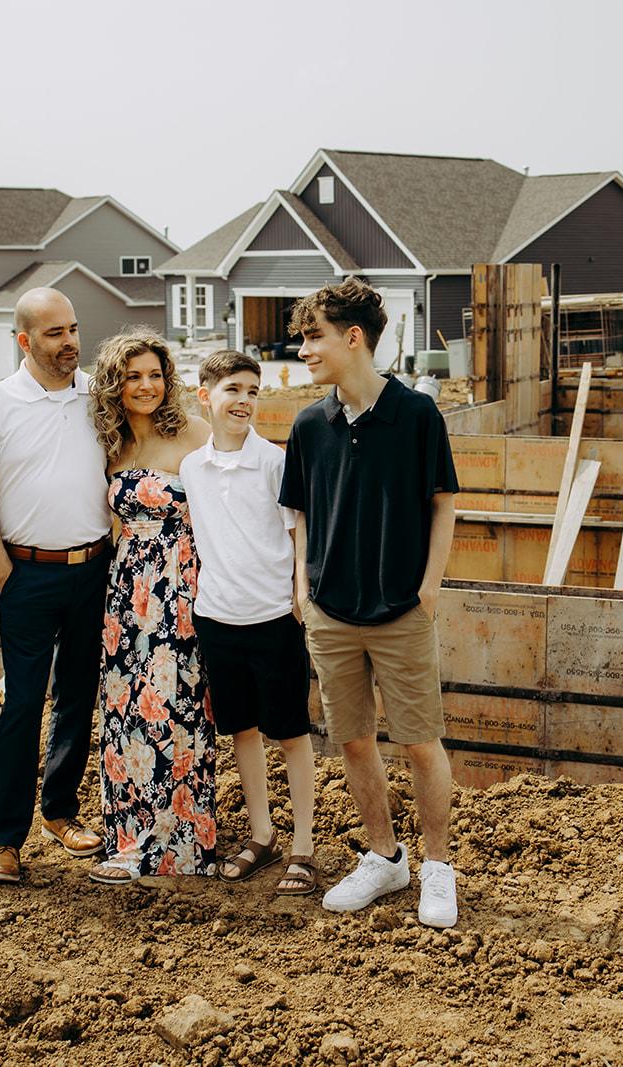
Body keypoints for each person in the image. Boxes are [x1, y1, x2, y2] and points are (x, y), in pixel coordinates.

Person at [279, 279, 462, 928]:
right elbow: (297, 513)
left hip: (401, 611)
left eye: (313, 336)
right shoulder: (309, 424)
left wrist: (430, 587)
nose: (303, 349)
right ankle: (386, 858)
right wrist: (303, 587)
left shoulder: (415, 416)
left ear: (352, 338)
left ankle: (437, 865)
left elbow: (444, 503)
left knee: (419, 741)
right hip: (331, 613)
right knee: (354, 741)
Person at [0, 287, 110, 885]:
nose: (70, 341)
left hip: (93, 568)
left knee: (78, 695)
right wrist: (4, 572)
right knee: (22, 705)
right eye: (55, 333)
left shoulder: (99, 395)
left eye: (73, 329)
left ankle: (61, 812)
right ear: (24, 340)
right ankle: (3, 838)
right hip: (26, 572)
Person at [179, 350, 319, 895]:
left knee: (291, 734)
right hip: (217, 617)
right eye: (233, 389)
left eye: (253, 392)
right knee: (242, 730)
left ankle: (303, 846)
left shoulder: (274, 463)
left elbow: (296, 531)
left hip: (273, 619)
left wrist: (298, 593)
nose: (244, 401)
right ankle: (262, 837)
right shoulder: (193, 467)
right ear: (205, 395)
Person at [86, 328, 216, 883]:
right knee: (124, 711)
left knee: (175, 706)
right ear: (116, 383)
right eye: (134, 376)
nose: (146, 386)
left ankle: (178, 843)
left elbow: (228, 508)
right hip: (125, 591)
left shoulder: (195, 434)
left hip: (180, 585)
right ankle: (129, 837)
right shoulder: (111, 445)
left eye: (155, 375)